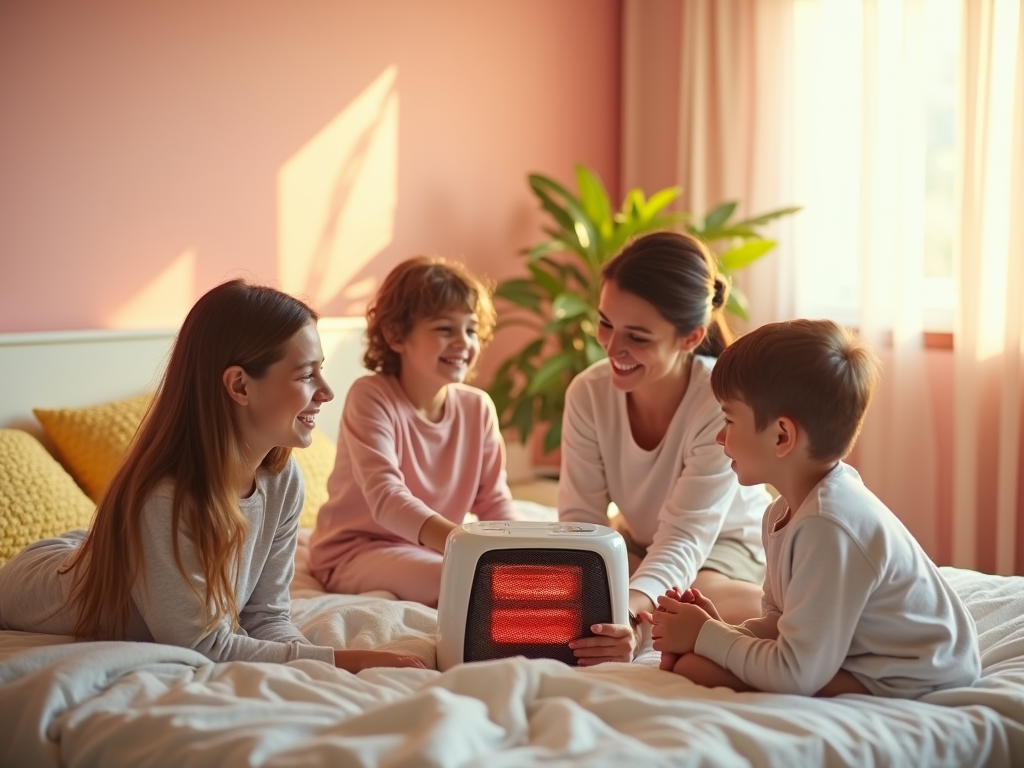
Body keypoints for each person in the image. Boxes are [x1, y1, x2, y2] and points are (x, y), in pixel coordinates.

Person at [0, 280, 423, 672]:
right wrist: (349, 661)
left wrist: (314, 670)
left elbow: (266, 616)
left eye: (322, 369)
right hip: (40, 577)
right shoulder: (167, 498)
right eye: (306, 374)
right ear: (239, 386)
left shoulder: (283, 480)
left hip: (100, 548)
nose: (328, 391)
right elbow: (202, 645)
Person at [642, 319, 981, 697]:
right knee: (697, 661)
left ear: (782, 436)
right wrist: (718, 628)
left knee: (695, 667)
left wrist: (706, 637)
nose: (720, 436)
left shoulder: (827, 525)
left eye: (729, 419)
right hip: (853, 653)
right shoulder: (783, 512)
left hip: (918, 672)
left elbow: (794, 673)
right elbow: (782, 624)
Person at [560, 231, 771, 666]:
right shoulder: (588, 393)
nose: (612, 347)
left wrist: (635, 621)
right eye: (605, 323)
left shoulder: (718, 401)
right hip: (642, 540)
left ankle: (795, 607)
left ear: (691, 337)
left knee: (694, 598)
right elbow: (581, 520)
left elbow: (685, 537)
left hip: (727, 545)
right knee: (593, 588)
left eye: (637, 337)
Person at [309, 257, 516, 606]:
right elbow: (387, 498)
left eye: (470, 329)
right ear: (395, 335)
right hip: (355, 552)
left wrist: (527, 554)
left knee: (509, 576)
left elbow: (494, 502)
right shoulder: (371, 396)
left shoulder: (477, 407)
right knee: (465, 580)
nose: (463, 342)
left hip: (435, 548)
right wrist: (466, 544)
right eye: (444, 329)